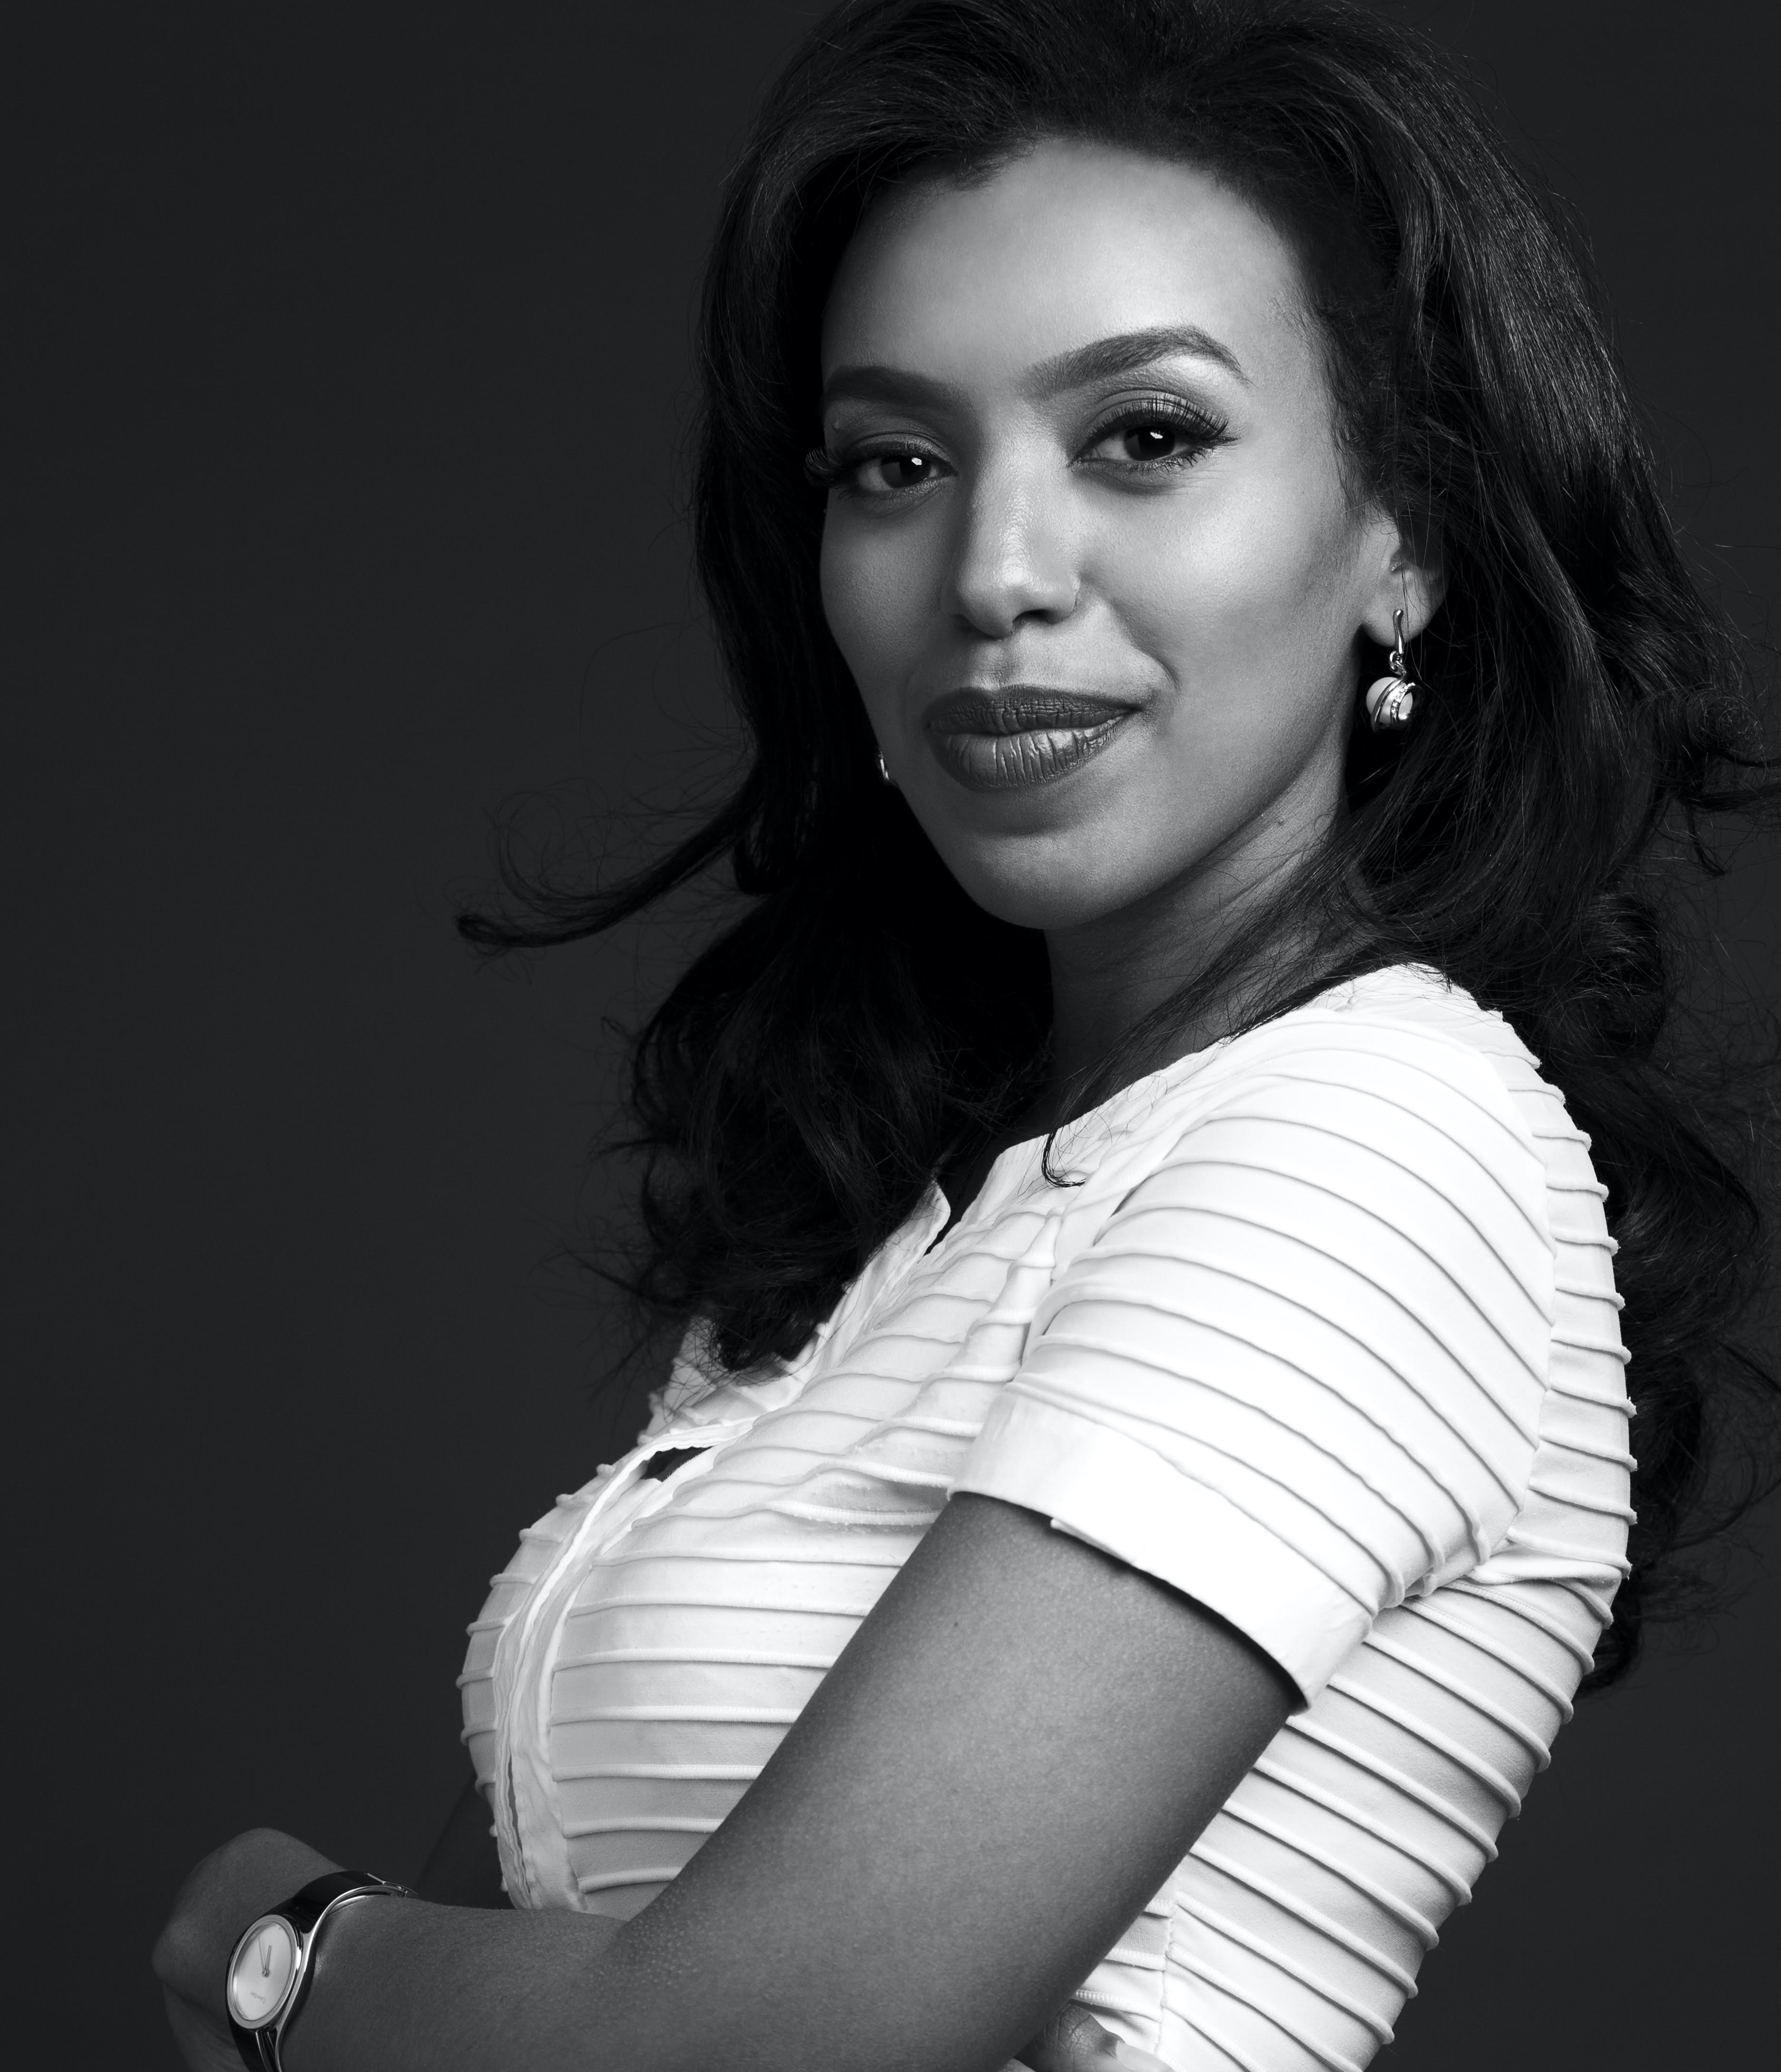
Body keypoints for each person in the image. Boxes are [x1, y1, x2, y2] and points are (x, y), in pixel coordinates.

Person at [154, 2, 1780, 2067]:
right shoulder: (925, 1218)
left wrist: (270, 1940)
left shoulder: (1377, 1140)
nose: (993, 574)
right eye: (897, 465)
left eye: (1147, 437)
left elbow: (761, 2048)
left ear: (1408, 538)